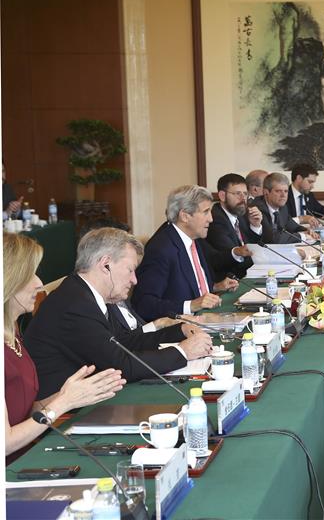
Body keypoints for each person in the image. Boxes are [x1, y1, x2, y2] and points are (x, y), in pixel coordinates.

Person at [25, 228, 214, 399]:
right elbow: (120, 364)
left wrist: (179, 331)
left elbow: (125, 341)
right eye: (130, 270)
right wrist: (183, 351)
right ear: (106, 265)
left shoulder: (88, 294)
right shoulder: (75, 304)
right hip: (61, 414)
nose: (134, 280)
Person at [4, 234, 125, 462]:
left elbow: (23, 411)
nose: (39, 282)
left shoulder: (12, 334)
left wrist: (72, 393)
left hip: (29, 456)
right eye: (30, 274)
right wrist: (64, 402)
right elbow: (5, 443)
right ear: (8, 279)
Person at [132, 185, 239, 321]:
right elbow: (143, 305)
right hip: (179, 329)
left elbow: (181, 284)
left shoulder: (193, 238)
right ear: (185, 216)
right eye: (205, 212)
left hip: (205, 318)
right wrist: (191, 305)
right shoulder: (161, 249)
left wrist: (215, 286)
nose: (211, 219)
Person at [202, 173, 263, 282]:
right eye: (237, 193)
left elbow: (251, 247)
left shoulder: (241, 214)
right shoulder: (215, 219)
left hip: (246, 275)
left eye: (245, 194)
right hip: (229, 281)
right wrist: (265, 260)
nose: (243, 199)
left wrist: (255, 226)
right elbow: (235, 258)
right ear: (222, 196)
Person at [250, 172, 307, 244]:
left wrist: (307, 231)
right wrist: (302, 236)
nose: (283, 195)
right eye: (278, 191)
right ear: (266, 192)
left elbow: (293, 227)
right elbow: (274, 238)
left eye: (286, 191)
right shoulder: (257, 207)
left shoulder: (282, 208)